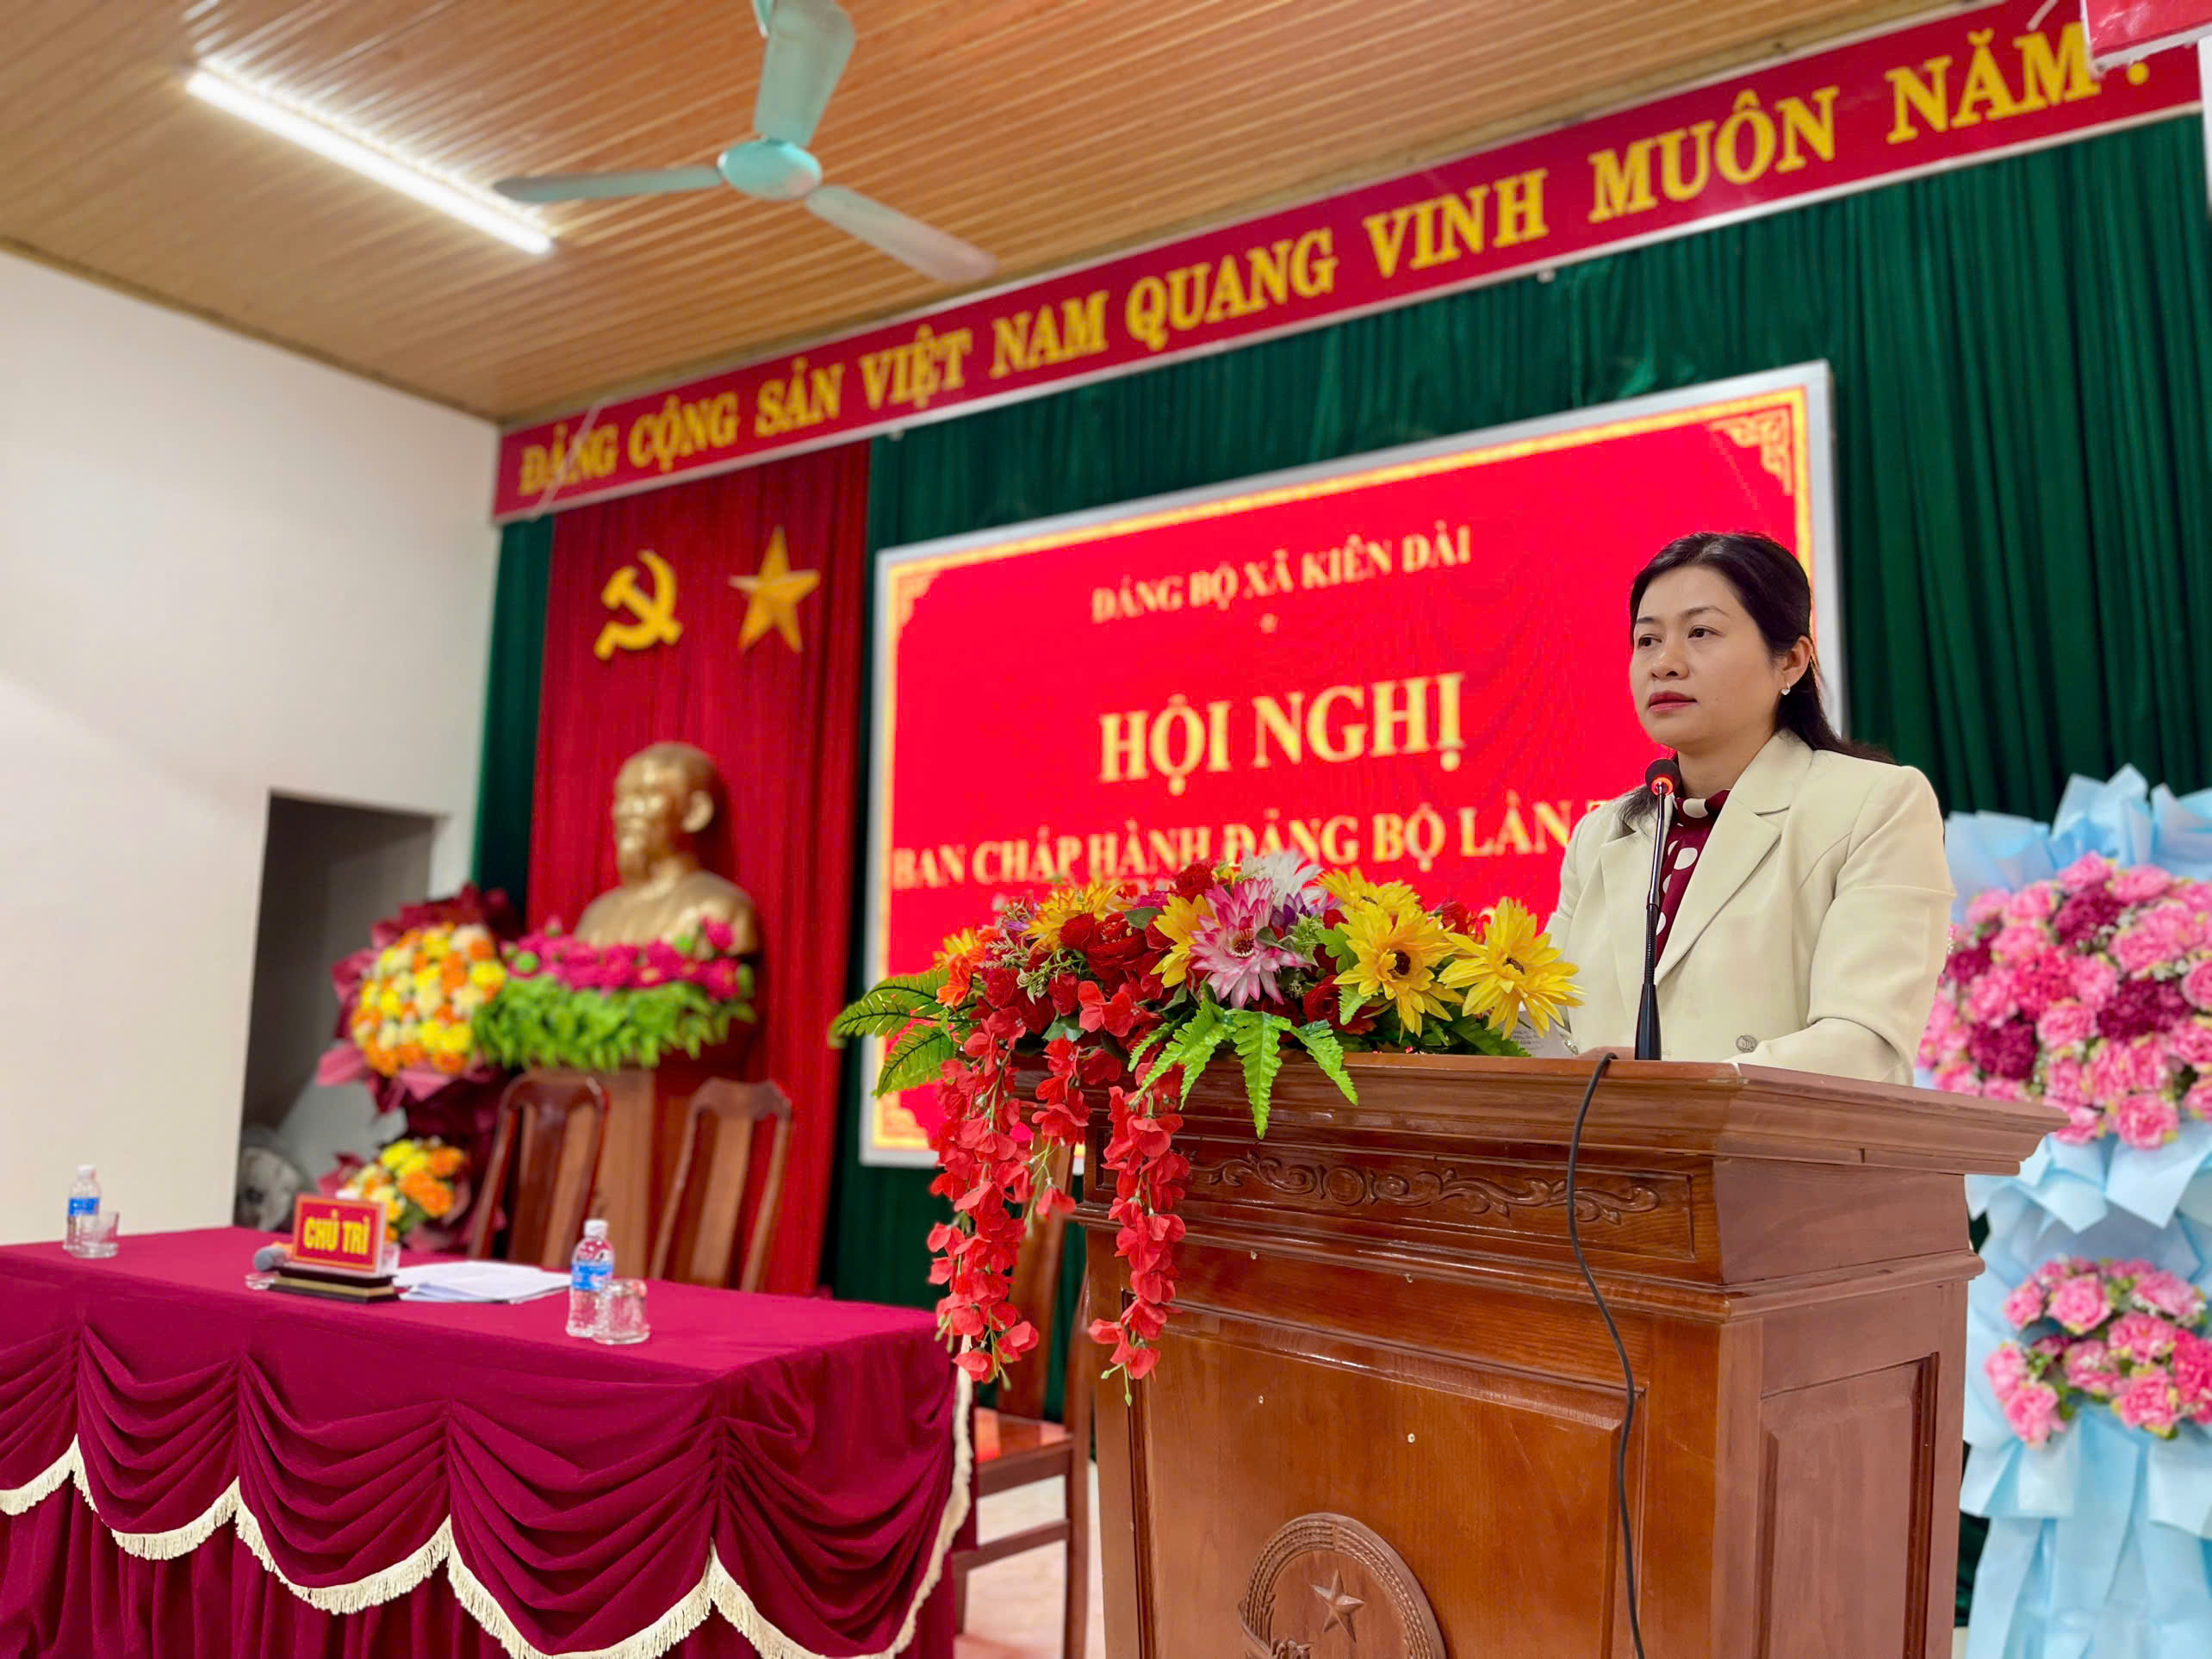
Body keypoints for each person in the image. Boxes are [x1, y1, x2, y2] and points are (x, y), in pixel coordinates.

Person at [1546, 531, 1952, 1084]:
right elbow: (1544, 1029)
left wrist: (1675, 1088)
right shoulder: (1602, 834)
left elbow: (1864, 1045)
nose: (1664, 663)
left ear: (1791, 661)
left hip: (1783, 1139)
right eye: (1647, 640)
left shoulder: (1874, 804)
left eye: (1701, 632)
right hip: (1601, 1143)